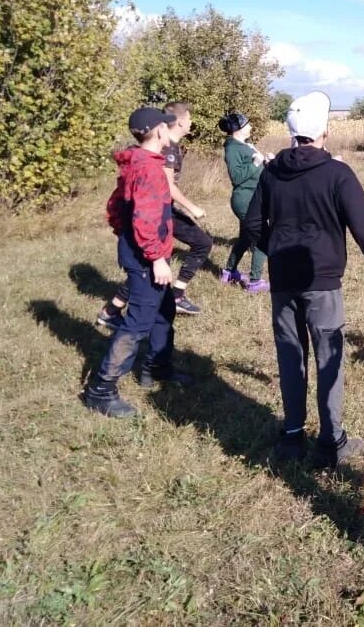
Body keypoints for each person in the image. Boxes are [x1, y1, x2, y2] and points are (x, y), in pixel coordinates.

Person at [244, 91, 364, 468]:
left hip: (283, 281)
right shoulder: (337, 174)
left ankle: (292, 436)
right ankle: (331, 442)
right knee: (329, 358)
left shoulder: (271, 172)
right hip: (323, 283)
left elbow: (251, 224)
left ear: (292, 132)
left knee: (290, 357)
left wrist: (275, 250)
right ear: (325, 132)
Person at [84, 107, 194, 417]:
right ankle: (101, 390)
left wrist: (130, 238)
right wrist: (156, 258)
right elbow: (144, 219)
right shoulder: (147, 168)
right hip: (146, 258)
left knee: (164, 311)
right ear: (160, 131)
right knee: (137, 323)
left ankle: (155, 368)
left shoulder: (137, 161)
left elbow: (116, 208)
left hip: (142, 251)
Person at [96, 100, 214, 324]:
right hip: (157, 212)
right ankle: (173, 297)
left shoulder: (171, 145)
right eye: (189, 118)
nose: (191, 122)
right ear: (179, 122)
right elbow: (166, 187)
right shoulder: (165, 148)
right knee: (195, 246)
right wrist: (192, 207)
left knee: (149, 269)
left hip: (158, 211)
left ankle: (110, 312)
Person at [218, 112, 272, 293]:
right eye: (247, 124)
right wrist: (256, 163)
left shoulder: (244, 145)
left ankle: (228, 273)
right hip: (245, 200)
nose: (250, 127)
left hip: (253, 197)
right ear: (238, 129)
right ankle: (255, 282)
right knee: (263, 239)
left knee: (246, 238)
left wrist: (266, 162)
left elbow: (255, 169)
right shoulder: (233, 148)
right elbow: (236, 177)